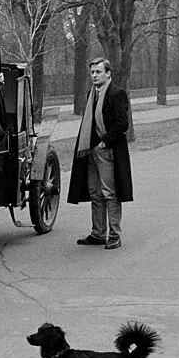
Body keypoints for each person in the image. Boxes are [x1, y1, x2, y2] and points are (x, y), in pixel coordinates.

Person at [67, 57, 133, 250]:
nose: (94, 76)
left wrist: (105, 142)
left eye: (98, 72)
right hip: (91, 151)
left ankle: (114, 235)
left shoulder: (117, 93)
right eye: (92, 72)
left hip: (108, 151)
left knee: (109, 193)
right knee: (95, 193)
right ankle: (98, 233)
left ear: (108, 73)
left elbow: (123, 124)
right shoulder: (91, 94)